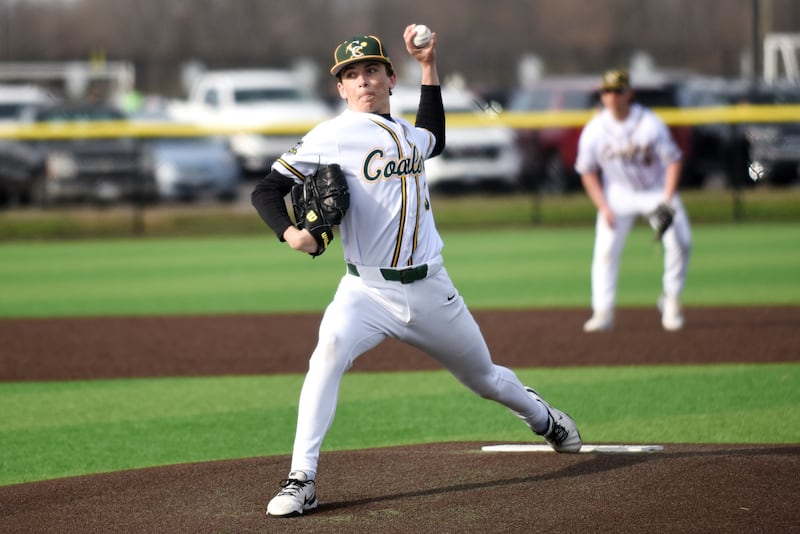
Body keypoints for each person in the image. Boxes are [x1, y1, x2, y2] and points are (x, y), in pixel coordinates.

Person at [251, 25, 582, 518]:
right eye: (351, 75)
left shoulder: (407, 133)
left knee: (484, 378)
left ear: (389, 78)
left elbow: (437, 137)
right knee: (325, 359)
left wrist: (429, 65)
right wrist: (289, 233)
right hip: (364, 290)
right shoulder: (331, 135)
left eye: (371, 70)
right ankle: (303, 478)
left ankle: (544, 418)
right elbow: (266, 190)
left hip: (430, 289)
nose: (362, 80)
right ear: (340, 88)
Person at [575, 69, 692, 332]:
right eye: (607, 91)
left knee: (681, 242)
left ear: (629, 93)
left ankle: (671, 299)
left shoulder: (649, 123)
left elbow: (673, 160)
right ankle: (602, 311)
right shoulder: (595, 129)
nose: (612, 96)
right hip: (617, 193)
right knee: (605, 250)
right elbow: (587, 171)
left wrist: (667, 199)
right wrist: (603, 207)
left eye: (617, 91)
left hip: (656, 189)